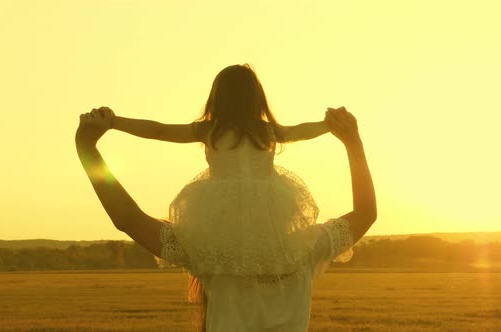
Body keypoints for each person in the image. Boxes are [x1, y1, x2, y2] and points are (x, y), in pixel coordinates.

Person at [75, 64, 376, 331]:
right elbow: (365, 213)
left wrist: (91, 144)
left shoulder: (207, 254)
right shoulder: (306, 250)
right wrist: (348, 138)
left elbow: (128, 218)